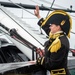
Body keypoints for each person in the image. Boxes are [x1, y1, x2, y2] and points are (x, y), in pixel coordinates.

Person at [33, 5, 72, 75]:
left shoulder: (60, 42)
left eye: (52, 25)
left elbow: (52, 64)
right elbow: (46, 27)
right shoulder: (56, 37)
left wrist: (40, 60)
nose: (50, 26)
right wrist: (38, 16)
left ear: (58, 27)